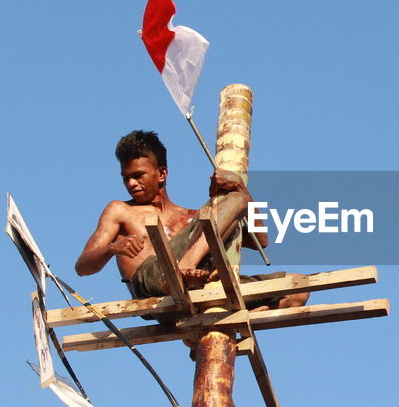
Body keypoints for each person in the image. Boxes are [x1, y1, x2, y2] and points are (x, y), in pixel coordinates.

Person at [75, 130, 308, 312]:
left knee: (298, 286)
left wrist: (241, 187)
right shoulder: (120, 210)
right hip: (152, 285)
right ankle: (183, 267)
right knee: (234, 201)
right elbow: (83, 267)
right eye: (126, 178)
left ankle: (238, 314)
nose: (131, 184)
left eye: (138, 176)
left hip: (198, 289)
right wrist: (113, 248)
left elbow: (261, 241)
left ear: (162, 174)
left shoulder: (192, 220)